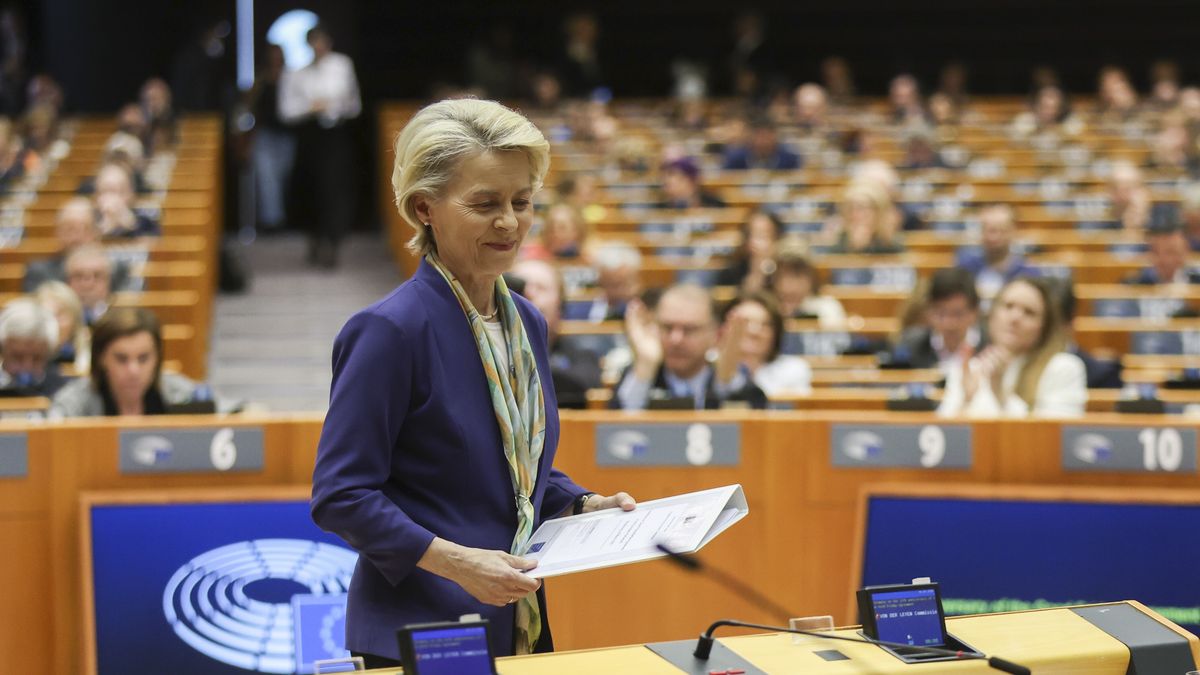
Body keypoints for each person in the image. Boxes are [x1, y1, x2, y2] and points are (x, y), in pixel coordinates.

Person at [310, 99, 635, 665]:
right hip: (420, 630)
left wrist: (581, 503)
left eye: (521, 201)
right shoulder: (389, 330)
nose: (508, 221)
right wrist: (458, 563)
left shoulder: (528, 321)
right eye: (485, 204)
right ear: (424, 209)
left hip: (518, 620)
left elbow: (505, 462)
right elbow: (342, 495)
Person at [938, 276, 1087, 418]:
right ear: (992, 314)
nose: (1015, 318)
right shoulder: (968, 370)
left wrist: (1001, 394)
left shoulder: (1062, 368)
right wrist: (966, 400)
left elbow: (1051, 437)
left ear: (1044, 327)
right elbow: (945, 436)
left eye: (1029, 312)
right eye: (1008, 306)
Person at [279, 24, 362, 268]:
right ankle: (314, 238)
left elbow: (354, 104)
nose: (318, 47)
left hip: (334, 133)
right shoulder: (297, 73)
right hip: (309, 136)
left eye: (322, 41)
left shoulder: (342, 65)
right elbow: (286, 110)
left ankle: (333, 242)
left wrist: (332, 106)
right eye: (313, 42)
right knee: (310, 188)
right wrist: (310, 107)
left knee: (335, 187)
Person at [613, 283, 768, 410]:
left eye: (689, 330)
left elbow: (749, 431)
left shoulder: (729, 376)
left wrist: (724, 383)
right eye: (667, 327)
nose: (676, 339)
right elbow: (611, 435)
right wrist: (645, 365)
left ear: (715, 334)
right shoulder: (639, 375)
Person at [49, 307, 229, 417]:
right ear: (101, 358)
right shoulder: (74, 403)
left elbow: (237, 412)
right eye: (121, 359)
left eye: (143, 358)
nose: (133, 370)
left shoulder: (180, 394)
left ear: (157, 357)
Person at [510, 259, 602, 408]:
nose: (529, 293)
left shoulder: (582, 355)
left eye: (541, 288)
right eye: (520, 287)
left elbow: (584, 384)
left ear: (560, 307)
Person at [22, 197, 128, 292]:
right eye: (69, 229)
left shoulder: (117, 271)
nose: (77, 237)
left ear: (97, 233)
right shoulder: (40, 273)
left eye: (85, 229)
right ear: (58, 233)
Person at [890, 267, 982, 374]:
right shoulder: (910, 344)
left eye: (957, 314)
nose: (949, 323)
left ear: (975, 312)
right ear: (929, 311)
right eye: (941, 314)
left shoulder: (990, 345)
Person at [719, 291, 811, 396]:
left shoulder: (793, 369)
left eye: (765, 325)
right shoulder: (709, 363)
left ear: (776, 333)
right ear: (725, 327)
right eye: (745, 322)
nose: (754, 331)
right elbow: (722, 383)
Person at [249, 45, 296, 232]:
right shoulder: (261, 80)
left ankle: (285, 219)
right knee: (267, 179)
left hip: (287, 135)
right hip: (265, 136)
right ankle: (272, 223)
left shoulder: (291, 78)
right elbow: (250, 106)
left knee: (284, 179)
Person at [955, 203, 1037, 299]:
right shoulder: (965, 267)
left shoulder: (1029, 273)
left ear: (1013, 230)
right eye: (988, 230)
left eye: (1001, 230)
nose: (993, 237)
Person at [0, 298, 70, 397]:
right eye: (17, 357)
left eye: (37, 358)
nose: (27, 367)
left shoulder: (64, 391)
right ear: (3, 350)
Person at [769, 243, 846, 327]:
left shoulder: (828, 308)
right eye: (782, 276)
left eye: (797, 276)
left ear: (811, 279)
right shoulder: (766, 309)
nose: (789, 286)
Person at [828, 181, 905, 254]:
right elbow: (829, 264)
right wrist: (853, 247)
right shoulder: (840, 239)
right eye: (851, 208)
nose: (856, 214)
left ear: (878, 211)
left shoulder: (889, 241)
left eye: (862, 208)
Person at [716, 209, 783, 291]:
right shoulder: (732, 272)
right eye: (750, 235)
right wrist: (756, 273)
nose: (753, 242)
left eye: (762, 235)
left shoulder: (785, 270)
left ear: (777, 239)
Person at [93, 161, 160, 238]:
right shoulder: (87, 224)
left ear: (131, 195)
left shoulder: (147, 225)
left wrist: (131, 226)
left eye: (120, 191)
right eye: (106, 190)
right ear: (97, 196)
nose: (114, 198)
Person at [35, 280, 90, 372]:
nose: (53, 322)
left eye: (59, 314)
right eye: (47, 314)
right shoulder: (28, 355)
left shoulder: (90, 352)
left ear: (75, 319)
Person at [1123, 223, 1200, 285]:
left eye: (1171, 252)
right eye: (1157, 252)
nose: (1164, 259)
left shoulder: (1196, 282)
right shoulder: (1137, 283)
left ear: (1185, 253)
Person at [586, 243, 641, 321]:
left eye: (625, 284)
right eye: (612, 285)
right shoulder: (582, 309)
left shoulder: (644, 310)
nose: (619, 292)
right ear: (601, 281)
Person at [720, 117, 801, 170]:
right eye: (760, 136)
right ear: (751, 137)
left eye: (767, 136)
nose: (763, 142)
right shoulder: (736, 159)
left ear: (775, 137)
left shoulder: (790, 159)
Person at [64, 244, 113, 326]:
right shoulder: (56, 322)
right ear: (67, 281)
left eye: (97, 275)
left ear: (108, 281)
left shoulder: (120, 318)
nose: (87, 284)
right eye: (78, 276)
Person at [656, 156, 725, 209]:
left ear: (689, 180)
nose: (665, 188)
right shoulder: (661, 207)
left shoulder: (712, 203)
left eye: (669, 184)